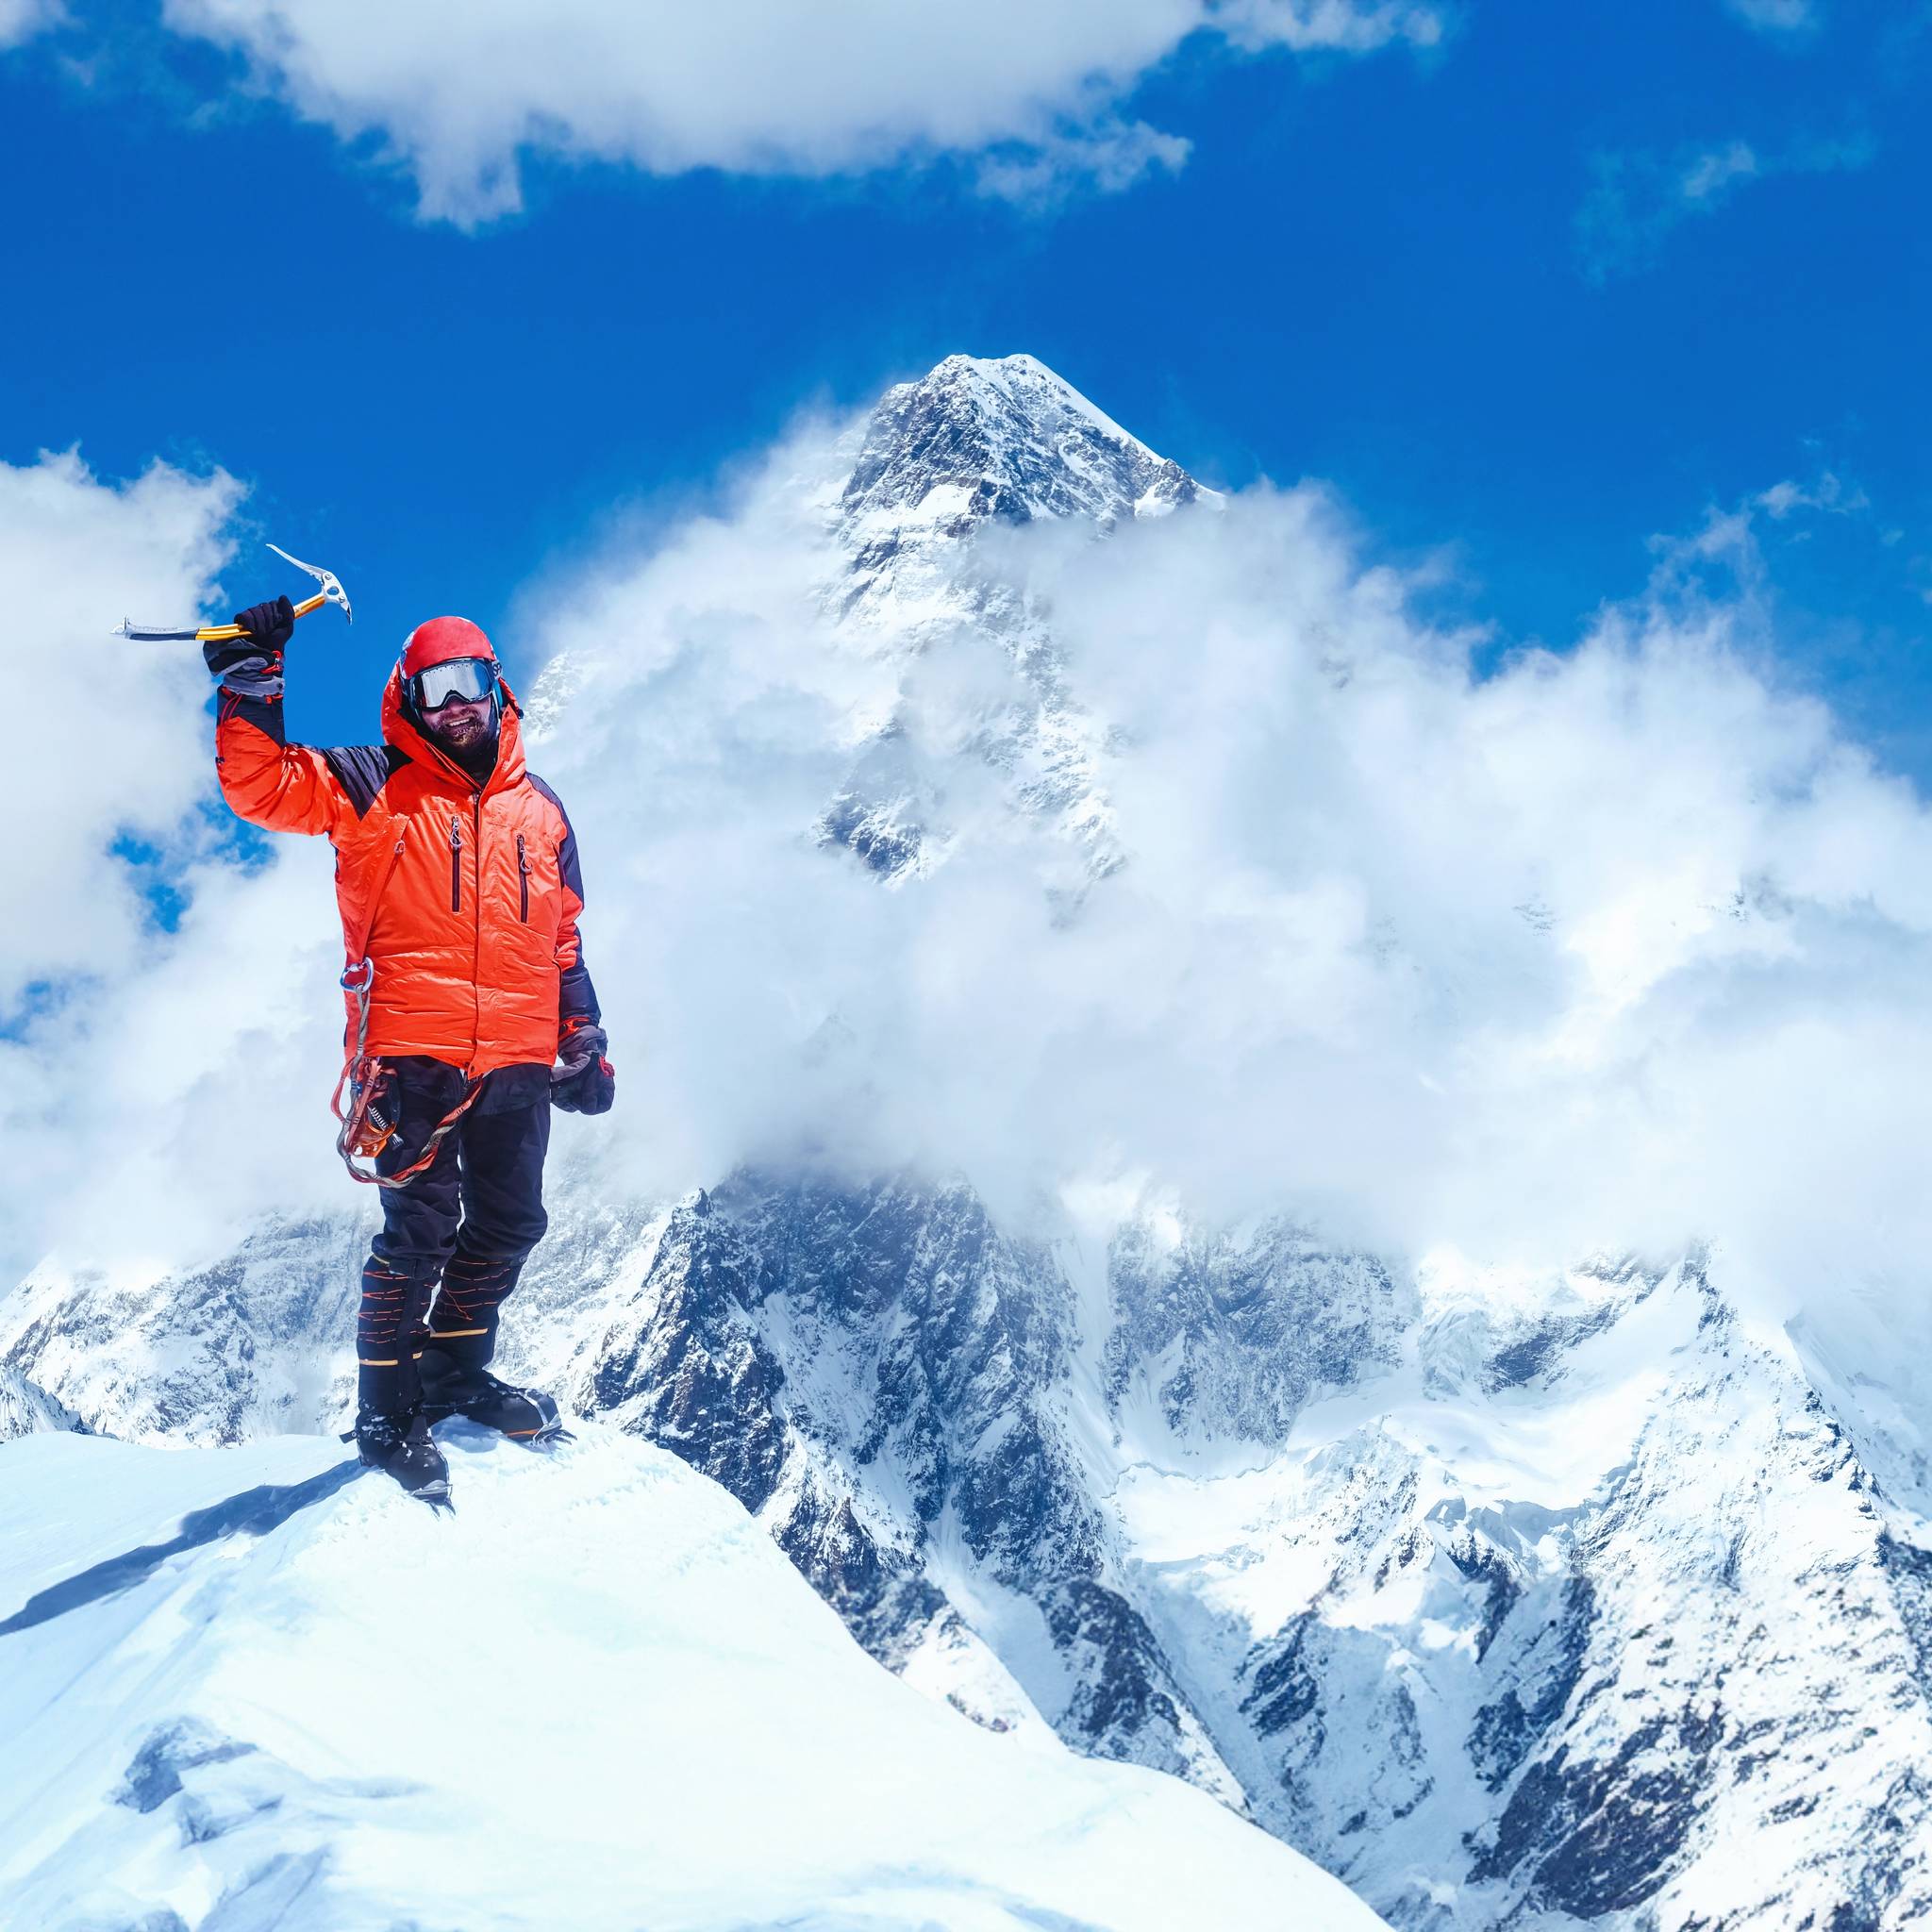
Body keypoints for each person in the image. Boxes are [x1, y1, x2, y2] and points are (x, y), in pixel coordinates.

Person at [206, 596, 615, 1502]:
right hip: (409, 1056)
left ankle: (455, 1375)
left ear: (496, 687)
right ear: (409, 698)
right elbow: (261, 787)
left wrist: (582, 1034)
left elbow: (562, 940)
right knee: (419, 1232)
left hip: (514, 1054)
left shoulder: (542, 813)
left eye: (470, 684)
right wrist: (250, 678)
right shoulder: (368, 781)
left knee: (512, 1223)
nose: (456, 706)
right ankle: (388, 1411)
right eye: (436, 691)